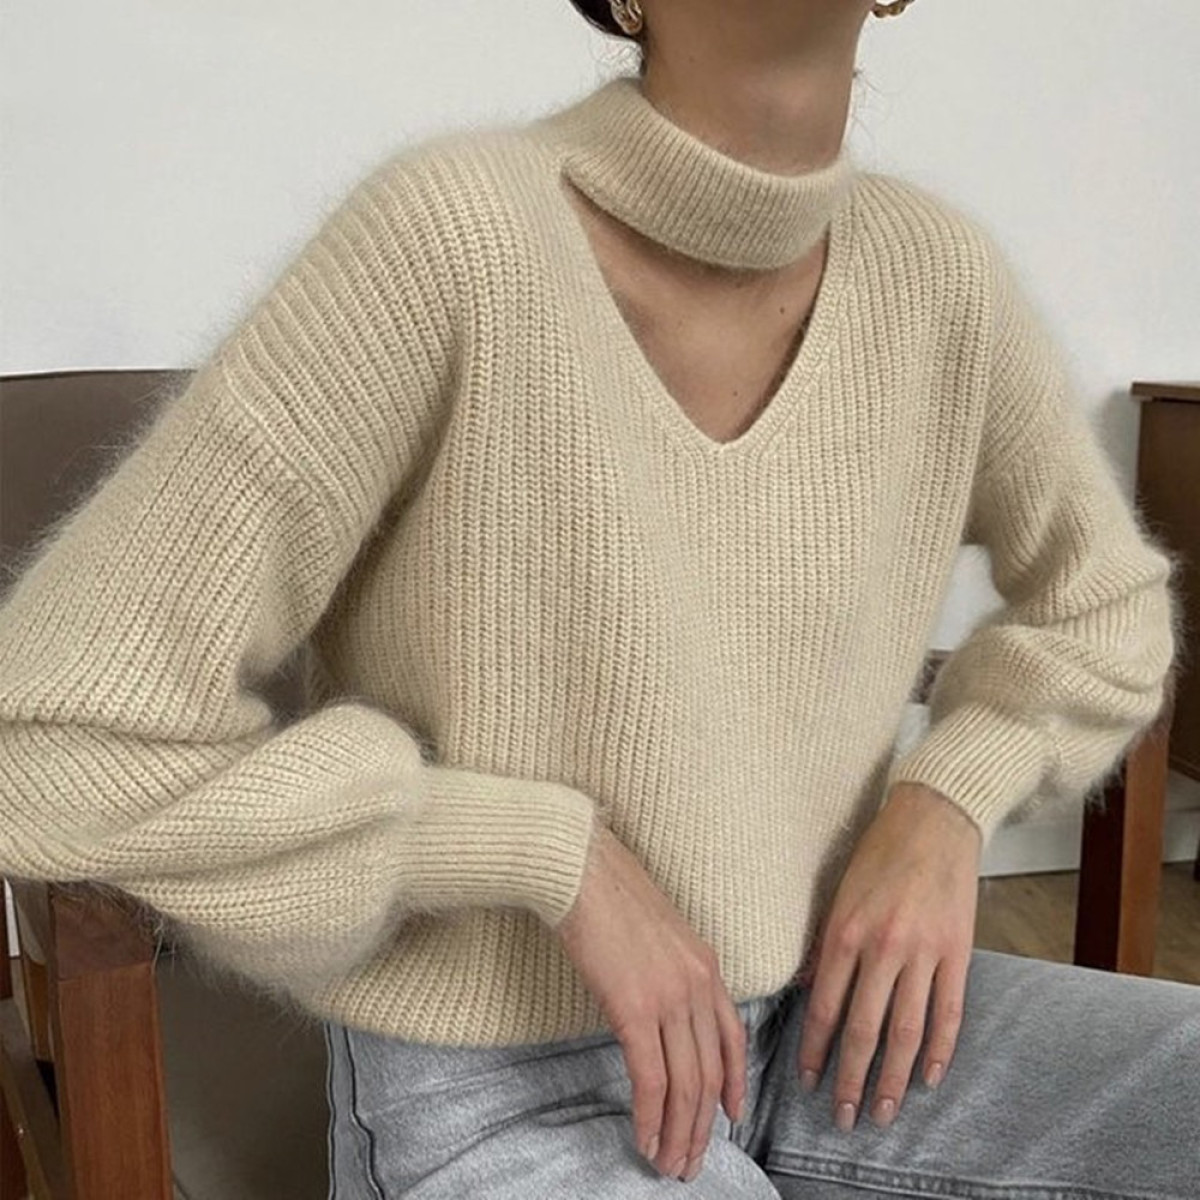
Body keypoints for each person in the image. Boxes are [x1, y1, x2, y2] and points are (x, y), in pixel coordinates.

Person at [0, 0, 1196, 1195]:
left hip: (833, 1028)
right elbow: (46, 737)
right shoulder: (448, 238)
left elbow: (1107, 609)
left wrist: (946, 800)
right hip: (494, 1089)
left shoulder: (942, 280)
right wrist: (542, 851)